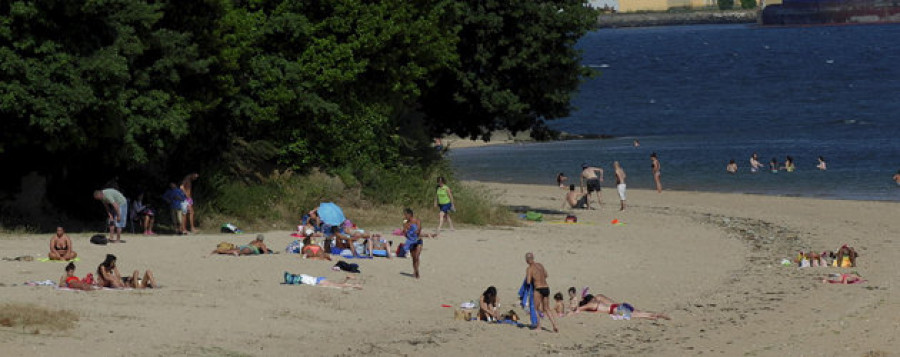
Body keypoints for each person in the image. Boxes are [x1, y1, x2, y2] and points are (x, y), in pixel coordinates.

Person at [570, 292, 670, 320]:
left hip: (617, 310)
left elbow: (579, 309)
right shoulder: (599, 296)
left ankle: (658, 315)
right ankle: (655, 316)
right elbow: (591, 298)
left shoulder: (592, 305)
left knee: (641, 315)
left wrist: (575, 309)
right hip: (620, 305)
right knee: (639, 313)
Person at [525, 252, 558, 332]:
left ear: (527, 260)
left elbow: (528, 282)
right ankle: (554, 325)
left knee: (536, 308)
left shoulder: (529, 269)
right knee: (547, 308)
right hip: (546, 287)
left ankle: (539, 327)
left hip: (538, 288)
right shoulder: (540, 265)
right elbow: (546, 275)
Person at [403, 208, 423, 279]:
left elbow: (419, 229)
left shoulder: (417, 221)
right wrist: (406, 233)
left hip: (418, 240)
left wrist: (413, 230)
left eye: (406, 215)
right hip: (411, 241)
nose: (405, 216)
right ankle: (415, 270)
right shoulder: (405, 223)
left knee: (417, 256)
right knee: (414, 258)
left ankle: (417, 271)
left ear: (410, 214)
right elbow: (404, 233)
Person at [283, 272, 362, 289]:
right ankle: (352, 284)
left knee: (338, 286)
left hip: (318, 281)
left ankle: (354, 285)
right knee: (337, 285)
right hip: (319, 279)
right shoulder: (302, 275)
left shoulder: (300, 279)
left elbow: (295, 282)